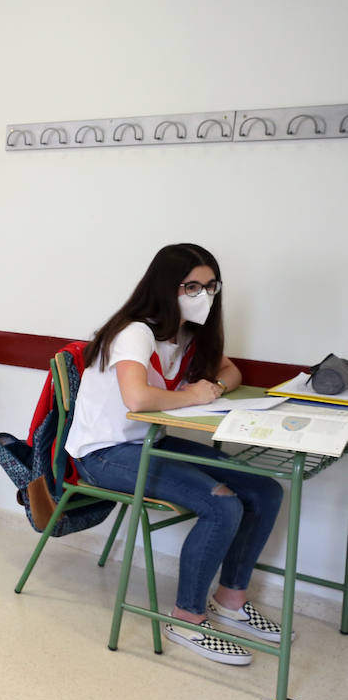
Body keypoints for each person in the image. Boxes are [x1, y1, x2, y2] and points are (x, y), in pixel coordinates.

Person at [66, 242, 286, 665]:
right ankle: (186, 618)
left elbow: (231, 371)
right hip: (103, 454)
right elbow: (138, 396)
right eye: (192, 286)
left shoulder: (185, 332)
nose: (203, 295)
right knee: (221, 504)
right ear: (167, 287)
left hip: (148, 443)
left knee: (265, 491)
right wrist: (191, 393)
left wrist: (213, 388)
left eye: (210, 286)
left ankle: (231, 601)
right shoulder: (136, 331)